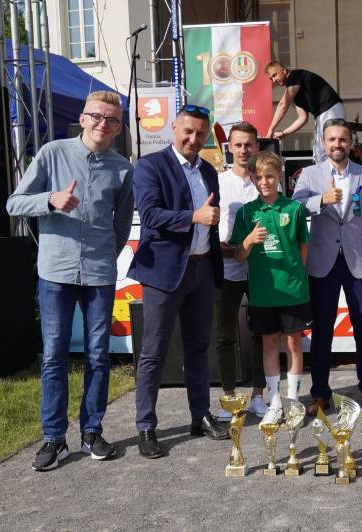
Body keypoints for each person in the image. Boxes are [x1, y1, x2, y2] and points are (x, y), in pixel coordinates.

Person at [7, 91, 133, 471]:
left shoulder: (122, 168)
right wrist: (50, 200)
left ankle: (92, 431)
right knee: (54, 356)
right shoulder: (52, 154)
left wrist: (105, 257)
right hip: (56, 272)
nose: (103, 124)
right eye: (96, 116)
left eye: (111, 119)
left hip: (99, 274)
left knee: (98, 355)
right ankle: (54, 438)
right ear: (82, 118)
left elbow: (122, 225)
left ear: (119, 128)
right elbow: (14, 203)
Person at [129, 104, 229, 459]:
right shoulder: (150, 166)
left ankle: (200, 415)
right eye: (188, 131)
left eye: (200, 133)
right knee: (153, 352)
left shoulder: (208, 170)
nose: (193, 138)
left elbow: (210, 220)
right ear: (174, 128)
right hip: (164, 273)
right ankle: (146, 426)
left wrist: (209, 227)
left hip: (201, 270)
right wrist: (195, 216)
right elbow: (150, 215)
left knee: (198, 347)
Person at [291, 118, 362, 415]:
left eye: (342, 139)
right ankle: (320, 393)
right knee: (322, 331)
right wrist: (322, 199)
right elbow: (294, 208)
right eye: (332, 139)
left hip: (359, 264)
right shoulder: (310, 174)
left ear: (351, 143)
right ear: (324, 143)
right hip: (322, 263)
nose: (337, 144)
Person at [232, 151, 310, 408]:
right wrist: (249, 240)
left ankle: (293, 401)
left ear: (279, 176)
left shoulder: (294, 209)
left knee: (294, 343)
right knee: (269, 344)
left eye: (269, 176)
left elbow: (303, 247)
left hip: (292, 291)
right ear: (252, 180)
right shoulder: (246, 212)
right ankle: (275, 401)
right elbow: (239, 255)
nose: (264, 182)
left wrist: (294, 274)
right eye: (258, 177)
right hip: (263, 293)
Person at [211, 122, 266, 421]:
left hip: (260, 269)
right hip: (226, 268)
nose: (244, 150)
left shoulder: (266, 181)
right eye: (238, 145)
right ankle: (229, 398)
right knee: (224, 335)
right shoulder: (218, 181)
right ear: (229, 147)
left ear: (257, 147)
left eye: (249, 144)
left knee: (261, 334)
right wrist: (219, 246)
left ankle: (258, 396)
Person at [265, 61, 345, 163]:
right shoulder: (296, 92)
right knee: (319, 154)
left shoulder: (295, 75)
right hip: (323, 115)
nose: (273, 80)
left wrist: (271, 129)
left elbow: (283, 104)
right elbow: (302, 118)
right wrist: (284, 133)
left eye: (274, 75)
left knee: (325, 152)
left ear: (283, 71)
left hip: (330, 110)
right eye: (271, 79)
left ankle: (335, 172)